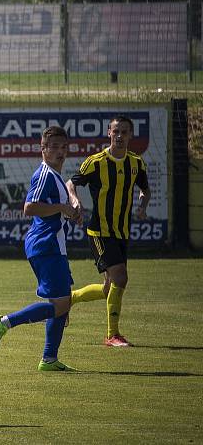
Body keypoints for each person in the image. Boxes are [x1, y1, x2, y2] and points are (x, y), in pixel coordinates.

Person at [0, 126, 84, 372]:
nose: (59, 152)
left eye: (63, 147)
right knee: (62, 304)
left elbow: (65, 192)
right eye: (53, 147)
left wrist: (72, 205)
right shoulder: (43, 174)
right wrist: (63, 209)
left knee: (62, 303)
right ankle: (4, 322)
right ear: (42, 149)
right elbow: (29, 207)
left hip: (53, 246)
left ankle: (49, 359)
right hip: (46, 245)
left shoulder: (55, 176)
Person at [66, 115, 150, 347]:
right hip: (100, 231)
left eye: (125, 132)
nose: (120, 136)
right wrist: (75, 201)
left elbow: (145, 189)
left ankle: (68, 300)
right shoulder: (96, 162)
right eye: (116, 132)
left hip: (122, 232)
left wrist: (143, 205)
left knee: (108, 288)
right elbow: (70, 183)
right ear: (109, 133)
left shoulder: (136, 163)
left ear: (131, 135)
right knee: (121, 277)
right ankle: (112, 335)